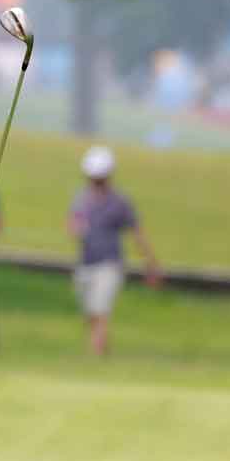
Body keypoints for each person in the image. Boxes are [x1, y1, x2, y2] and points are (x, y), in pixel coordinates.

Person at [68, 145, 162, 355]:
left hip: (109, 263)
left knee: (100, 310)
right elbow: (72, 222)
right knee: (90, 312)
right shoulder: (81, 198)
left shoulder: (120, 201)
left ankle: (95, 355)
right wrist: (76, 229)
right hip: (86, 261)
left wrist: (150, 263)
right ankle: (102, 351)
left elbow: (136, 232)